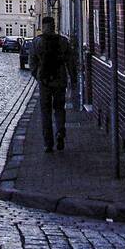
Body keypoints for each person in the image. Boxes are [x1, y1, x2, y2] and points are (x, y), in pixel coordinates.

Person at [29, 16, 76, 152]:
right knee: (59, 108)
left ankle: (48, 143)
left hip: (44, 82)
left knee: (45, 112)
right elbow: (70, 62)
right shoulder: (63, 41)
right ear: (54, 26)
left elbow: (32, 62)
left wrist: (37, 75)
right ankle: (60, 130)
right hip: (60, 80)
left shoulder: (37, 42)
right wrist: (72, 78)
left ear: (43, 26)